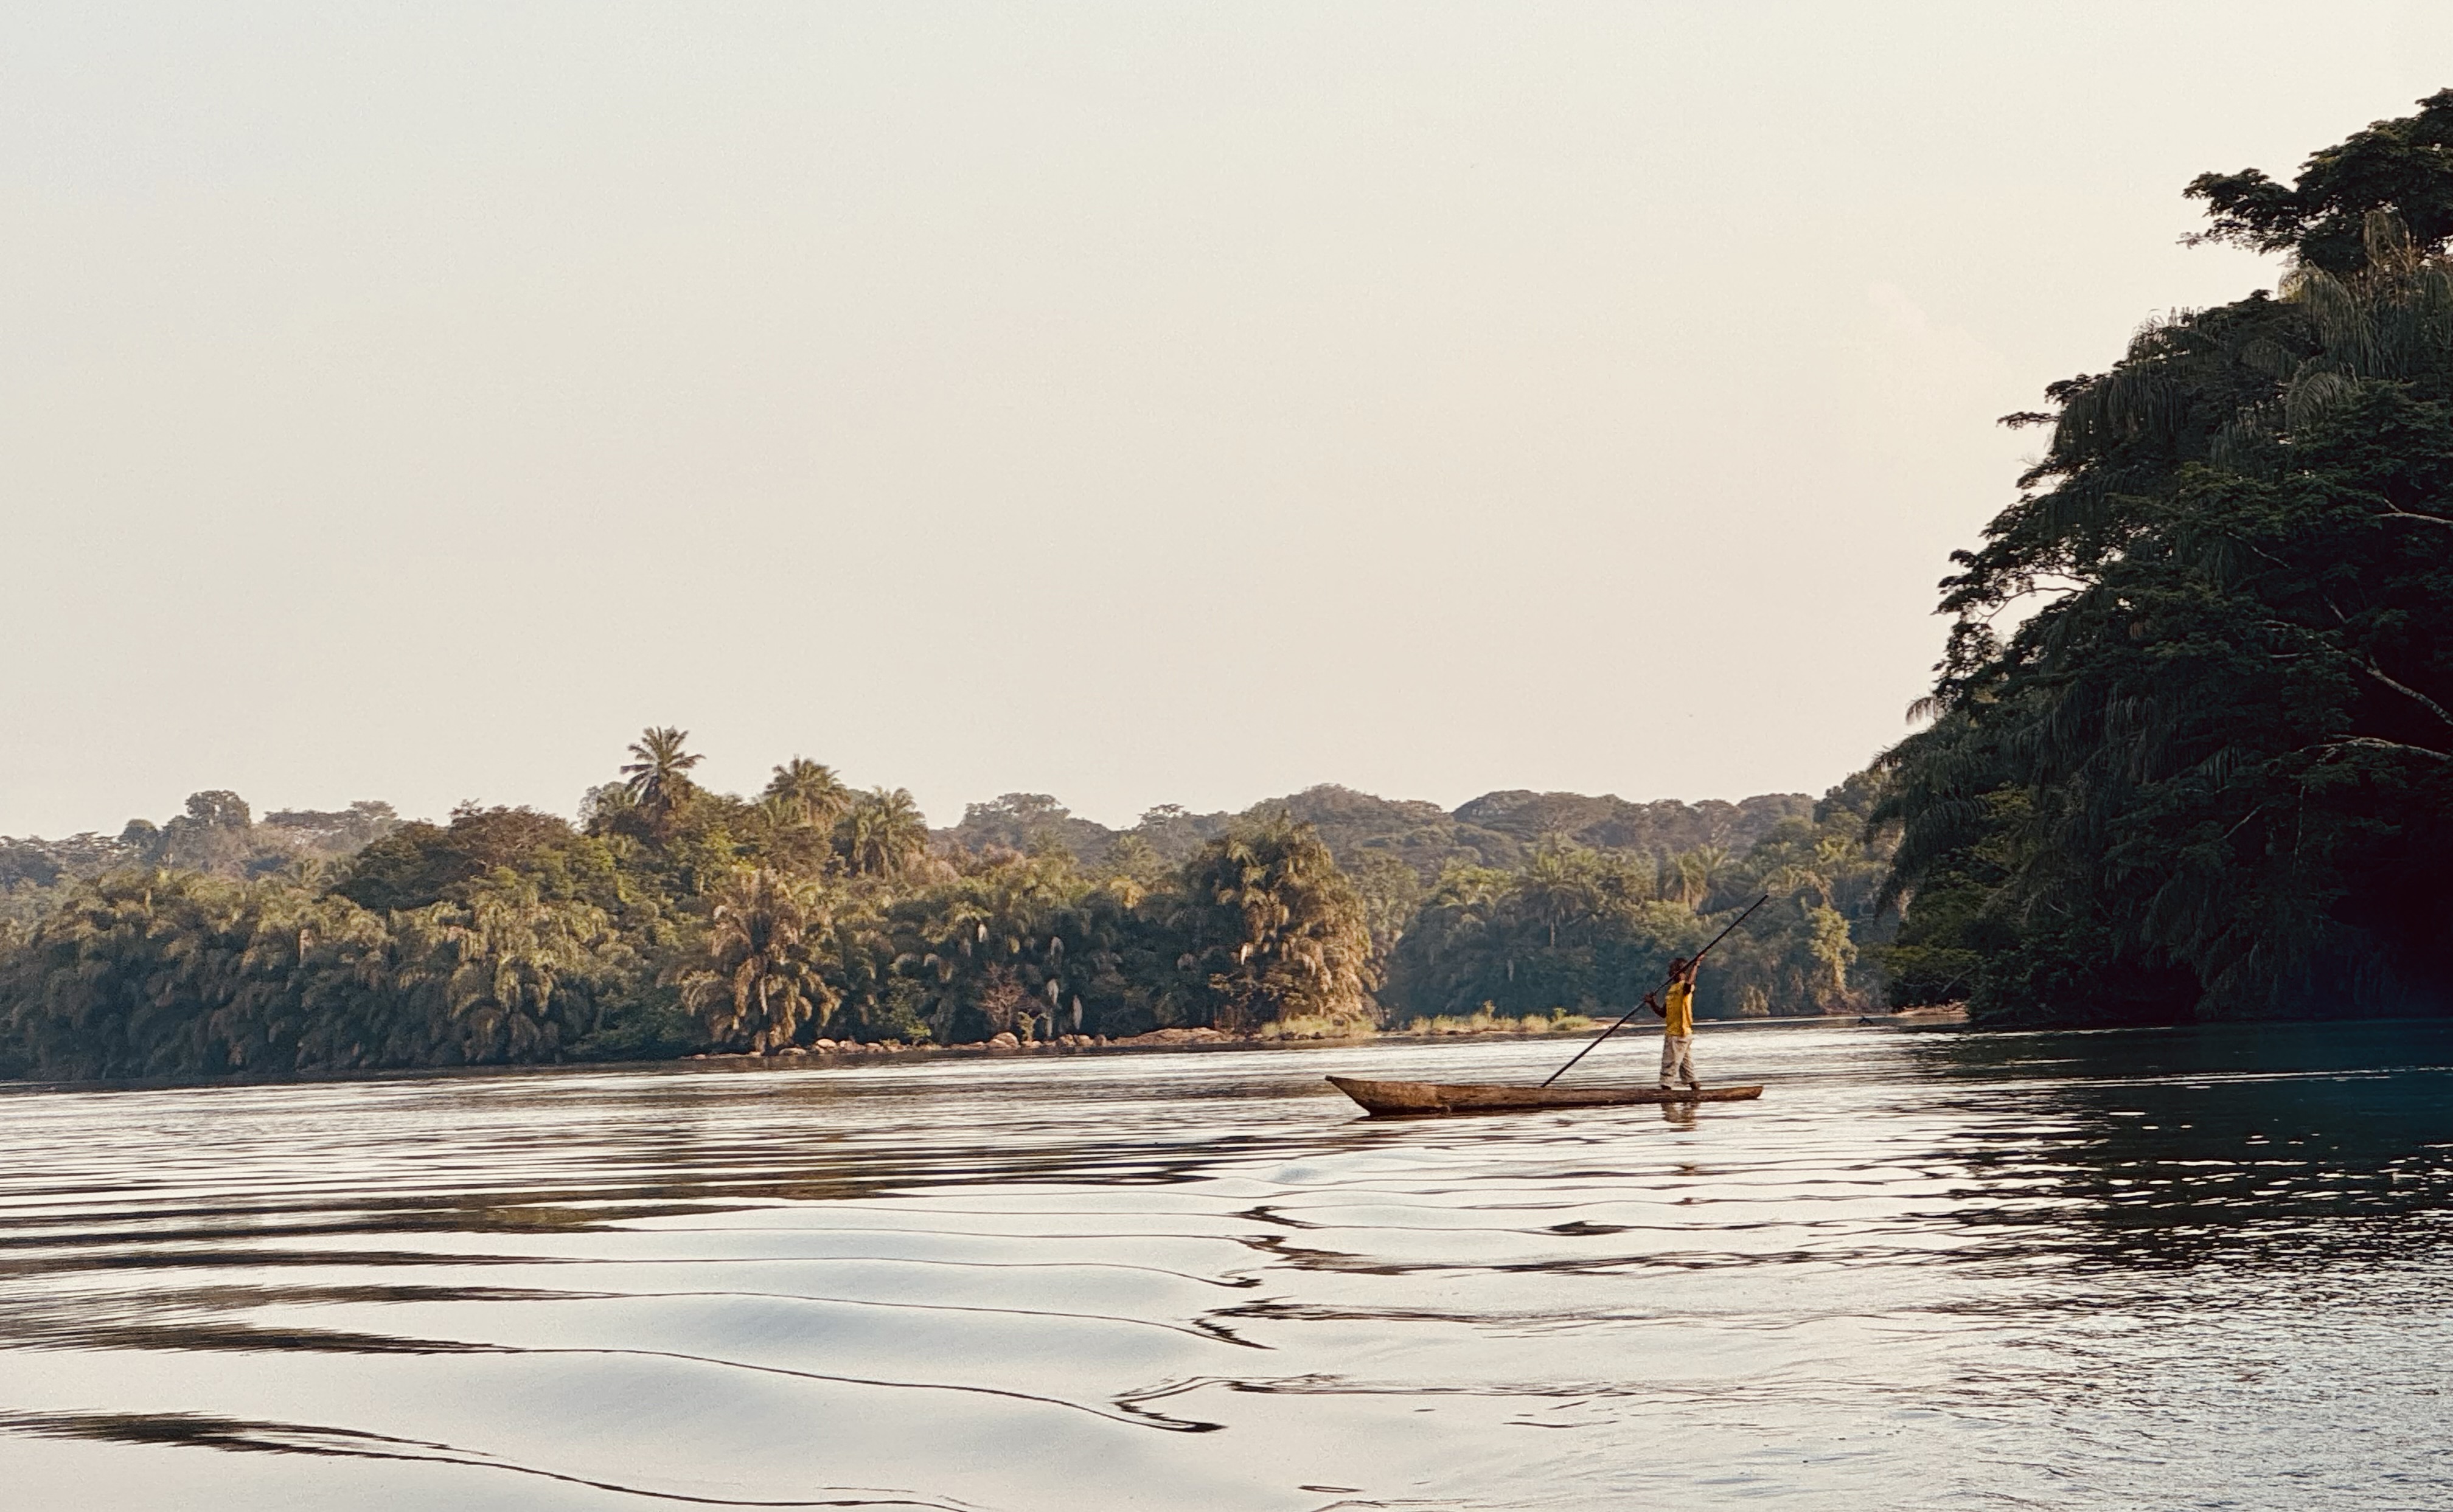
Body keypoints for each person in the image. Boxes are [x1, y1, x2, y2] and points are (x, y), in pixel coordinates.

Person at [1643, 955, 1702, 1091]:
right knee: (1687, 1070)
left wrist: (1696, 965)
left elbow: (1689, 985)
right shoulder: (1672, 990)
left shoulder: (1685, 987)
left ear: (1679, 971)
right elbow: (1664, 1013)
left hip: (1679, 1034)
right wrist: (1652, 1003)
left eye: (1671, 969)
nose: (1669, 972)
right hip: (1675, 1033)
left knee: (1668, 1067)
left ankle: (1665, 1096)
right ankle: (1696, 1091)